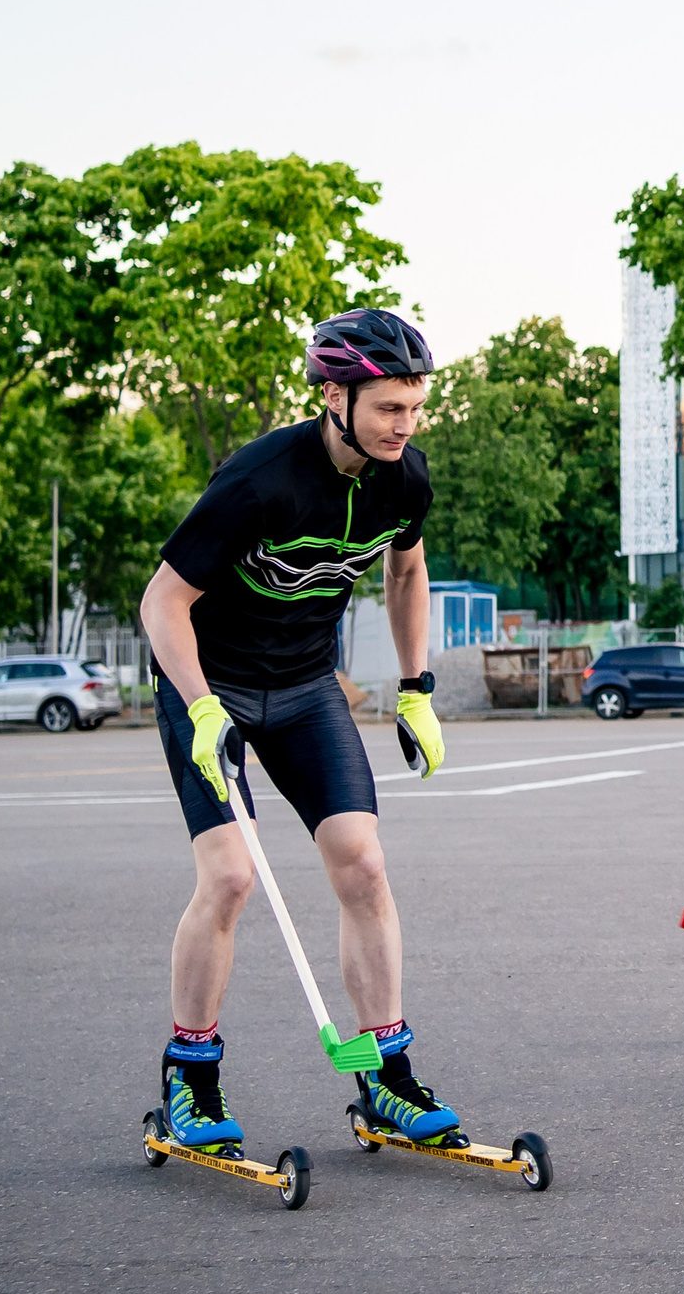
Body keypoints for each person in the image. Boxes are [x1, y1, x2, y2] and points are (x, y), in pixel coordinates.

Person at [136, 308, 454, 1157]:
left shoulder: (404, 479)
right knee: (232, 877)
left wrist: (415, 686)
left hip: (307, 687)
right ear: (333, 394)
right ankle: (190, 1078)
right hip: (211, 683)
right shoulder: (260, 478)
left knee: (364, 860)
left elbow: (407, 567)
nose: (404, 426)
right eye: (389, 408)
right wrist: (201, 705)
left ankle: (386, 1073)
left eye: (414, 407)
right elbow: (161, 601)